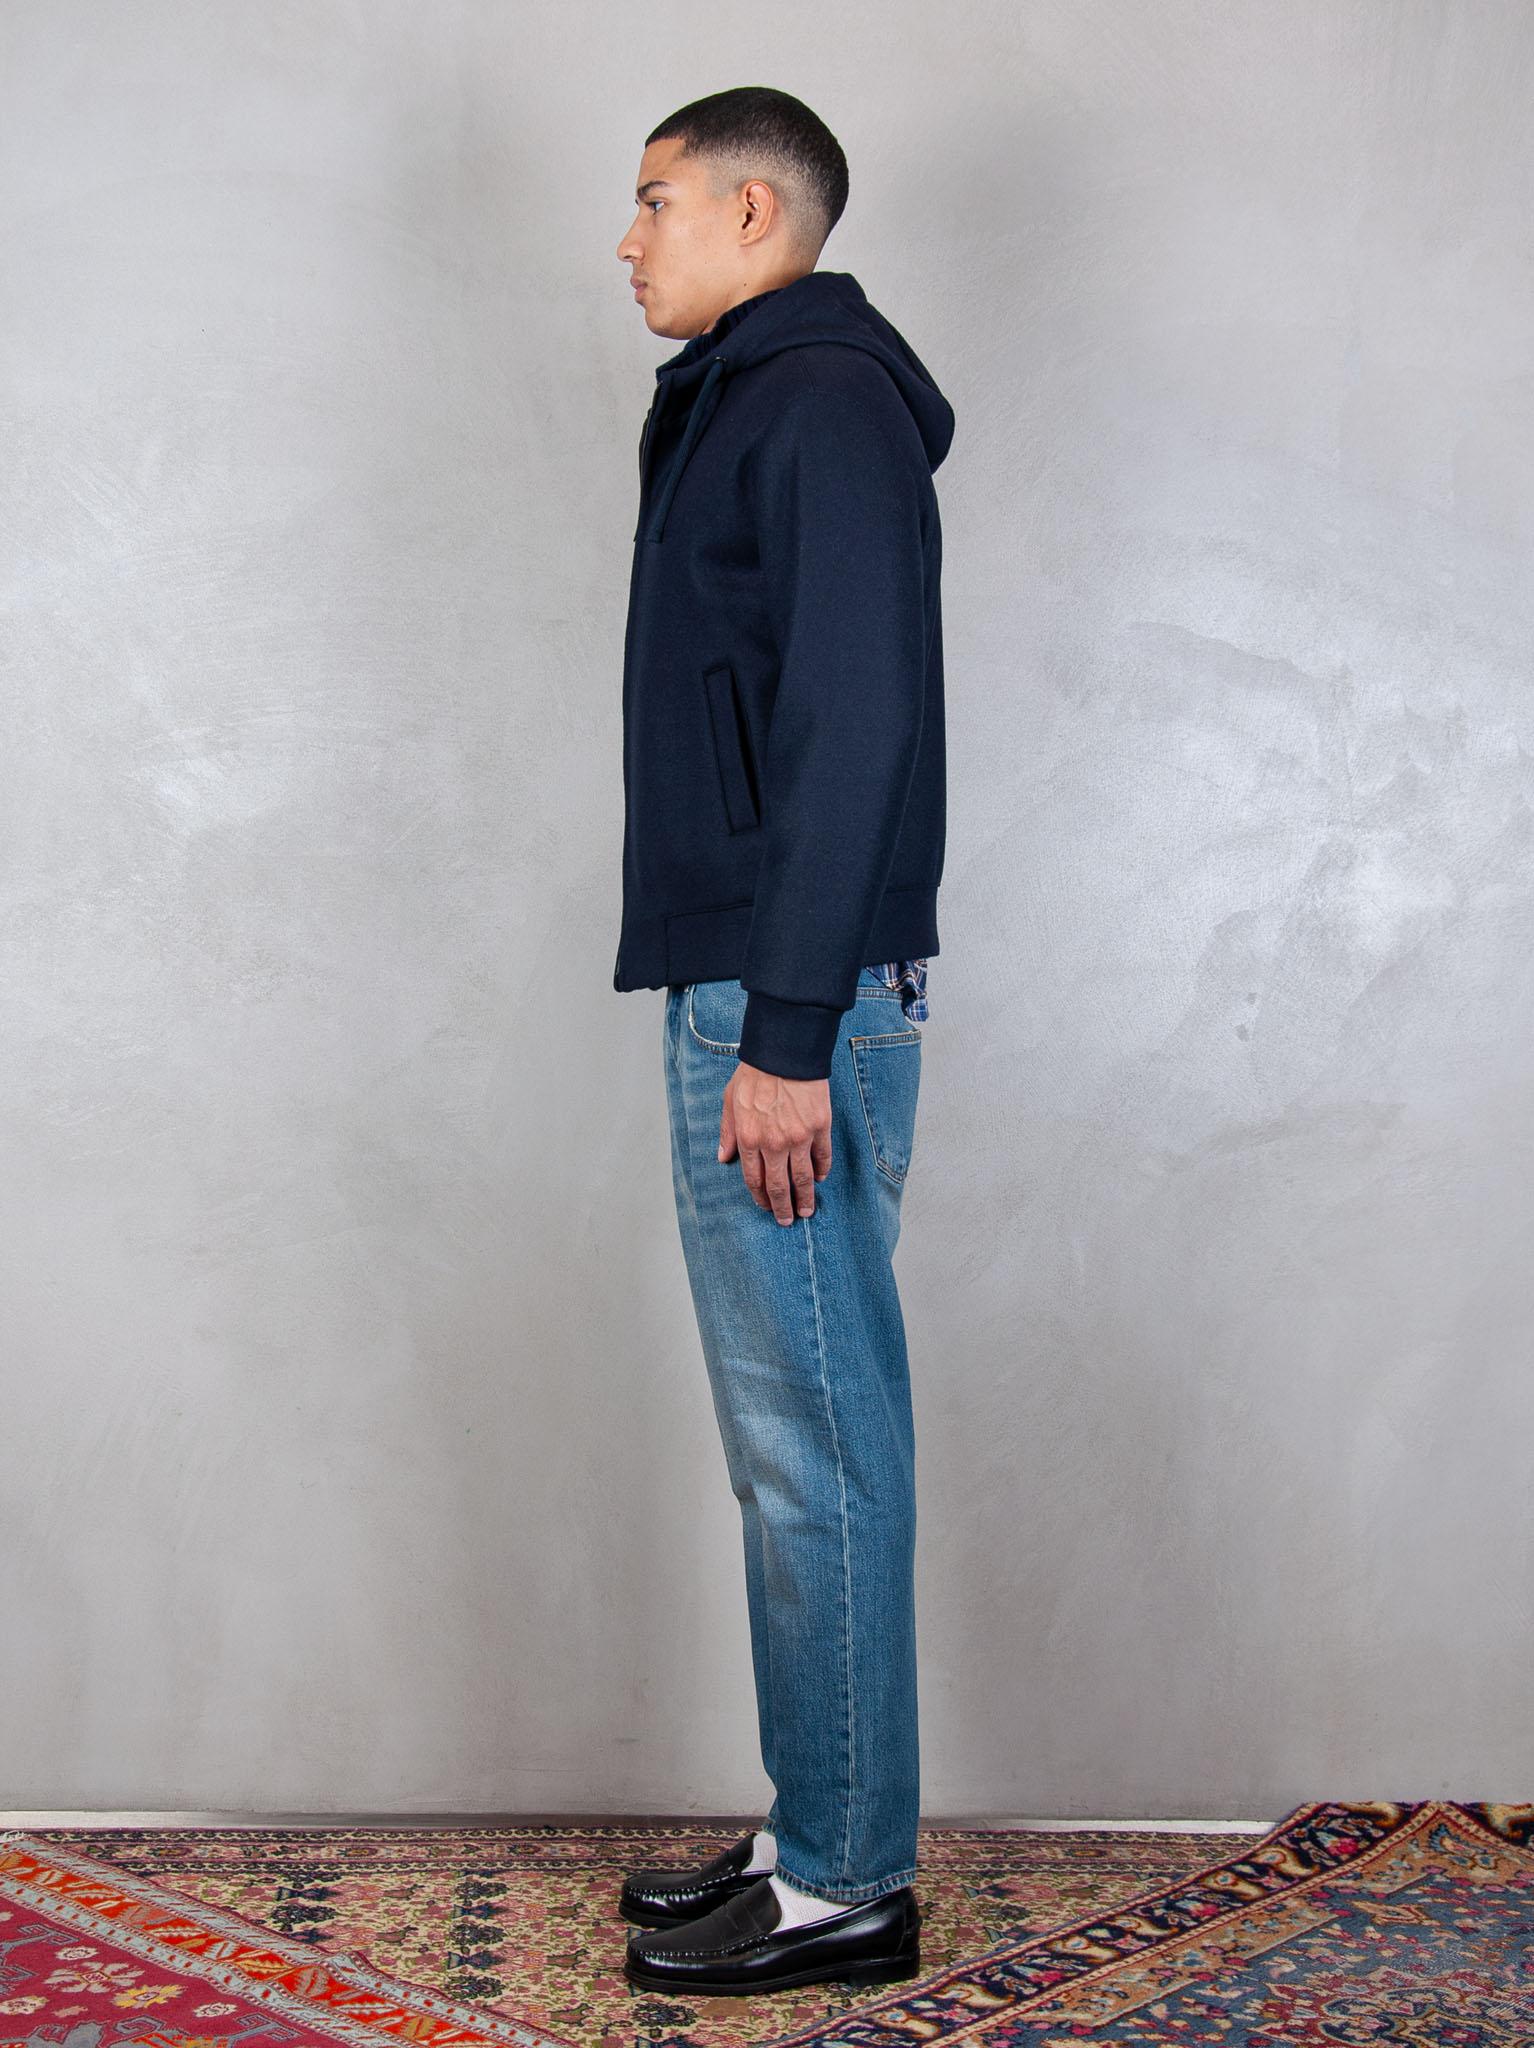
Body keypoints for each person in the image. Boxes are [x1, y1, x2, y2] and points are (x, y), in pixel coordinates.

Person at [610, 85, 954, 1999]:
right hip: (759, 984)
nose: (628, 240)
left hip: (785, 1001)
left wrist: (792, 1029)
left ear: (755, 213)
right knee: (791, 1447)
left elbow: (857, 716)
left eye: (654, 201)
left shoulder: (814, 400)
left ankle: (846, 1885)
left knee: (814, 1447)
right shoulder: (756, 394)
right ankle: (820, 1814)